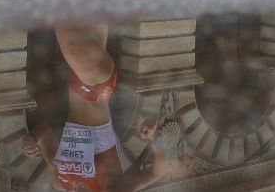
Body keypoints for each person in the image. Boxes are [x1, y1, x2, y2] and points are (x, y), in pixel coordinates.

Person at [22, 26, 167, 191]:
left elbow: (45, 133)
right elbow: (158, 172)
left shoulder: (61, 183)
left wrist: (32, 140)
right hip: (95, 88)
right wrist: (154, 138)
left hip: (78, 81)